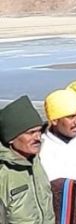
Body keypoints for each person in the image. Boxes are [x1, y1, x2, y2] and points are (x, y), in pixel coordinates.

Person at [0, 95, 55, 224]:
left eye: (39, 131)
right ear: (11, 138)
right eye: (30, 133)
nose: (38, 137)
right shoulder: (3, 173)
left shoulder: (36, 162)